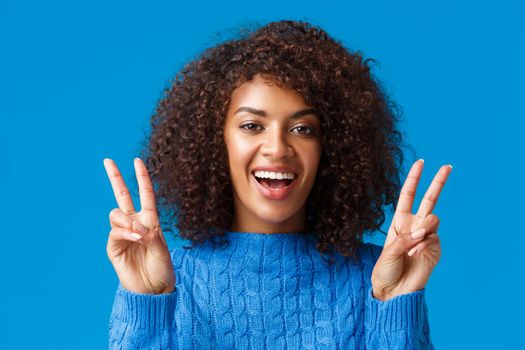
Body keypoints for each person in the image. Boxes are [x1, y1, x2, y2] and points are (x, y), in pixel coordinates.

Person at [103, 20, 452, 349]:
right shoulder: (166, 279)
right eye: (252, 125)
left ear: (331, 148)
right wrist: (146, 307)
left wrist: (397, 309)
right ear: (215, 140)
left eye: (303, 129)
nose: (277, 148)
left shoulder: (379, 278)